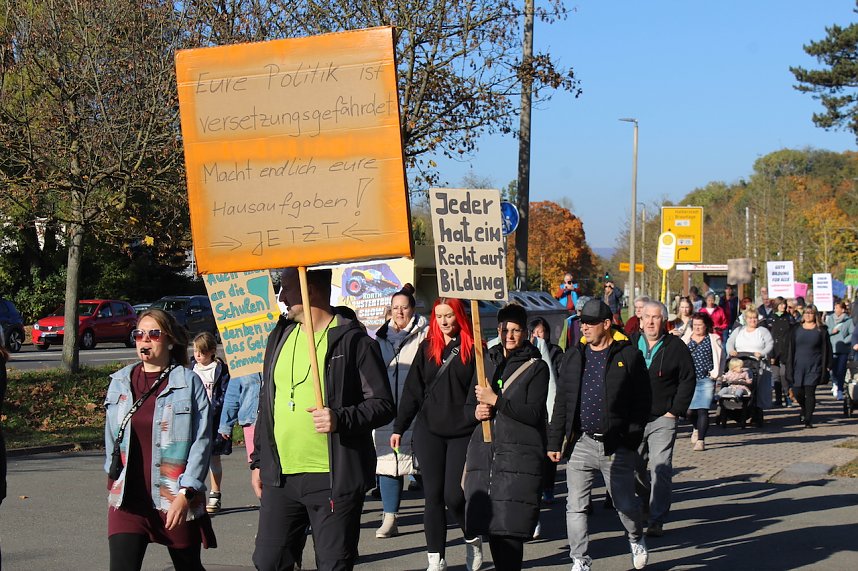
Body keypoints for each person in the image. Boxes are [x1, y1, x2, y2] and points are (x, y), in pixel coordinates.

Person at [251, 267, 395, 571]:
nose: (281, 296)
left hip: (332, 477)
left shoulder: (354, 342)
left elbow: (383, 404)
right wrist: (258, 461)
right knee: (268, 561)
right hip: (281, 477)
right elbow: (268, 403)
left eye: (287, 288)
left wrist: (340, 418)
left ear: (309, 289)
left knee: (333, 564)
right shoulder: (280, 336)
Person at [104, 308, 215, 571]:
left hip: (174, 498)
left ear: (170, 339)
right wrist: (112, 477)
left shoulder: (188, 383)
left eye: (154, 334)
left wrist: (186, 493)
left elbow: (202, 442)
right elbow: (111, 436)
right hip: (128, 501)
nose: (145, 340)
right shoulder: (120, 381)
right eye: (139, 334)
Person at [547, 299, 651, 571]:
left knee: (624, 504)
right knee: (575, 506)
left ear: (606, 324)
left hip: (616, 445)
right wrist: (555, 440)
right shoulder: (573, 355)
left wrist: (630, 439)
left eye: (591, 323)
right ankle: (579, 559)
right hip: (581, 442)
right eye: (582, 322)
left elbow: (643, 402)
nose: (585, 327)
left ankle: (635, 537)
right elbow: (563, 401)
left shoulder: (628, 356)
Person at [393, 297, 483, 571]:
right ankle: (436, 559)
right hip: (428, 430)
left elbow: (476, 391)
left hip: (461, 431)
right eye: (439, 316)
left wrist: (475, 414)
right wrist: (400, 426)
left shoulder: (473, 349)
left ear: (459, 316)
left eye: (449, 316)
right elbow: (412, 390)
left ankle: (472, 538)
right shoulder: (427, 347)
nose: (444, 321)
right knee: (432, 495)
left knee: (453, 495)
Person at [464, 304, 549, 571]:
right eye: (504, 329)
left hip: (518, 457)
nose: (509, 335)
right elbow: (470, 404)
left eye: (515, 330)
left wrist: (497, 401)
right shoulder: (486, 361)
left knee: (510, 530)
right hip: (488, 454)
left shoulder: (537, 367)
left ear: (525, 332)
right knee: (493, 528)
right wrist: (477, 411)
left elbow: (534, 413)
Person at [630, 301, 695, 538]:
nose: (650, 321)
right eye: (646, 316)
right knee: (634, 468)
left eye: (655, 317)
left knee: (661, 468)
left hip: (663, 418)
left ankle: (657, 519)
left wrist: (675, 410)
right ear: (640, 319)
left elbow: (688, 379)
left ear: (663, 320)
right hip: (634, 419)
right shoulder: (629, 344)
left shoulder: (675, 347)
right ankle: (646, 500)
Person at [373, 284, 428, 539]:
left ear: (412, 310)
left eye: (404, 308)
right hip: (387, 410)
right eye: (395, 308)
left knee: (425, 463)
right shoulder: (379, 338)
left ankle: (436, 512)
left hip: (418, 409)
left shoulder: (425, 334)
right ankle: (390, 517)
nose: (399, 312)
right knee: (387, 462)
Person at [191, 332, 231, 514]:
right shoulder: (191, 367)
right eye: (196, 351)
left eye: (202, 352)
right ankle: (192, 493)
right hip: (194, 419)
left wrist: (212, 408)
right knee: (193, 457)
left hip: (213, 419)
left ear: (212, 352)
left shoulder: (220, 370)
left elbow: (224, 394)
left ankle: (216, 493)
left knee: (213, 458)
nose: (198, 356)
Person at [529, 316, 563, 509]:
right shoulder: (526, 352)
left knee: (549, 450)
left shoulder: (556, 352)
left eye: (541, 332)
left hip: (550, 408)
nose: (538, 336)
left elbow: (558, 377)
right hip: (534, 408)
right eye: (534, 332)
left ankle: (548, 487)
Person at [785, 304, 832, 429]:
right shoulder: (796, 329)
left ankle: (808, 419)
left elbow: (828, 348)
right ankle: (804, 408)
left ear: (815, 315)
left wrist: (828, 364)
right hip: (798, 365)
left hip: (815, 365)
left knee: (810, 392)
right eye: (806, 313)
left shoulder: (821, 330)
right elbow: (790, 347)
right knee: (797, 391)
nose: (808, 315)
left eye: (810, 313)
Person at [681, 312, 722, 452]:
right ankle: (696, 428)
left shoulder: (713, 339)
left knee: (703, 410)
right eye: (695, 325)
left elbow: (721, 357)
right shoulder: (686, 338)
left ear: (706, 326)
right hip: (689, 380)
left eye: (700, 325)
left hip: (706, 379)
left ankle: (701, 441)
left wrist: (717, 374)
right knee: (689, 412)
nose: (697, 328)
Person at [726, 307, 775, 416]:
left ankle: (757, 410)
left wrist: (762, 353)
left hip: (757, 363)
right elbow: (730, 342)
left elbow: (770, 344)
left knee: (758, 388)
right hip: (740, 362)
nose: (753, 320)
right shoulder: (738, 330)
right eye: (750, 318)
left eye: (755, 318)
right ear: (746, 319)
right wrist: (731, 351)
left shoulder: (762, 331)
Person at [218, 371, 262, 471]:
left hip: (273, 420)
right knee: (257, 466)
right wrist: (226, 425)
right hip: (250, 421)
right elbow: (232, 395)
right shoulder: (242, 361)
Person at [765, 297, 794, 407]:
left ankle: (787, 396)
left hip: (786, 350)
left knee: (784, 375)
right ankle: (778, 399)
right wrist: (771, 353)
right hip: (774, 350)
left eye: (784, 304)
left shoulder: (789, 318)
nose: (783, 306)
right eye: (781, 304)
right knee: (775, 376)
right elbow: (769, 336)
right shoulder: (771, 318)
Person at [825, 300, 853, 400]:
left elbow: (852, 333)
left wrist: (845, 340)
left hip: (843, 349)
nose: (835, 309)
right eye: (835, 307)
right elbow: (826, 331)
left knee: (841, 370)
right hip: (832, 348)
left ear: (842, 309)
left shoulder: (848, 320)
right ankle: (835, 383)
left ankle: (840, 390)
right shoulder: (830, 319)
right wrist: (832, 331)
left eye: (837, 308)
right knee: (833, 370)